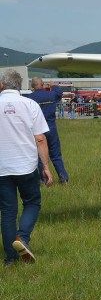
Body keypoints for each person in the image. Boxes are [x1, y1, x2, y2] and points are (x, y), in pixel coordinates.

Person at [1, 70, 53, 265]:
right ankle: (22, 237)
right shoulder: (30, 104)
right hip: (26, 166)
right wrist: (46, 167)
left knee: (7, 211)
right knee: (32, 203)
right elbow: (40, 138)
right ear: (20, 85)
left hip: (2, 167)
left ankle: (10, 259)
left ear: (2, 86)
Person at [28, 77, 69, 184]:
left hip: (37, 129)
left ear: (32, 86)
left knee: (40, 155)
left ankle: (43, 179)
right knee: (55, 154)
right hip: (51, 127)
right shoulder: (50, 95)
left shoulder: (29, 98)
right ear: (42, 84)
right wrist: (53, 85)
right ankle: (63, 177)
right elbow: (59, 93)